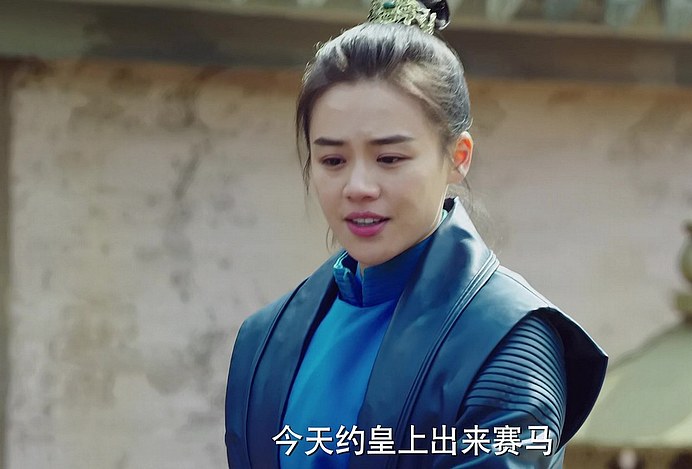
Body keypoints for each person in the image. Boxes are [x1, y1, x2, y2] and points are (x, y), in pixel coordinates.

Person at [224, 0, 607, 467]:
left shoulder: (507, 343)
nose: (358, 187)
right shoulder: (265, 339)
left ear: (458, 157)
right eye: (332, 160)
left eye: (389, 159)